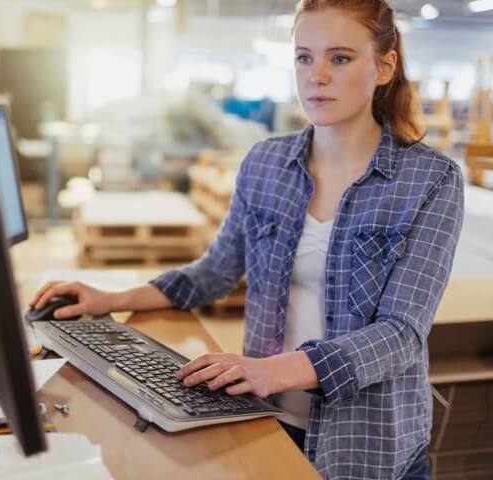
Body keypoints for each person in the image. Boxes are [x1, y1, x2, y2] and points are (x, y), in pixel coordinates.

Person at [31, 1, 464, 478]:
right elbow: (215, 271)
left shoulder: (431, 180)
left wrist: (269, 370)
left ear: (384, 66)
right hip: (267, 421)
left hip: (366, 447)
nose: (316, 75)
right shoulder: (265, 164)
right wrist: (111, 298)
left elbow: (400, 335)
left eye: (339, 58)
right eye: (304, 57)